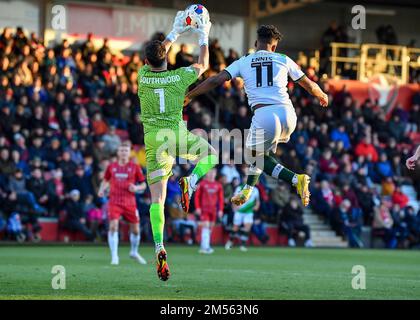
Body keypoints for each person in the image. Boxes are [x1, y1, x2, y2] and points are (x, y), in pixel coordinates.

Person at [185, 25, 328, 208]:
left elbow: (214, 80)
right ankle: (247, 189)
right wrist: (321, 95)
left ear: (255, 43)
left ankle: (296, 179)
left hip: (265, 115)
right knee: (261, 152)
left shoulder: (244, 61)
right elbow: (309, 84)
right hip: (289, 114)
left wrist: (191, 95)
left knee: (252, 155)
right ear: (274, 47)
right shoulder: (284, 59)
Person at [137, 11, 215, 281]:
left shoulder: (142, 77)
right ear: (166, 59)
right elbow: (203, 64)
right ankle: (190, 182)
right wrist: (201, 33)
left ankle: (159, 246)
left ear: (146, 61)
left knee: (156, 200)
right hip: (175, 134)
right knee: (211, 154)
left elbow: (158, 54)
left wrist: (173, 33)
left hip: (152, 140)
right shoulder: (179, 77)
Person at [97, 141, 147, 265]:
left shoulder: (135, 167)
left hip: (130, 203)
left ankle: (134, 252)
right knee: (113, 226)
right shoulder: (111, 166)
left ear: (129, 152)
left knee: (135, 230)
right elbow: (105, 180)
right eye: (122, 150)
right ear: (118, 153)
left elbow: (143, 184)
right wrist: (101, 189)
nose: (124, 153)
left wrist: (136, 188)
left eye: (126, 150)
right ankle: (114, 256)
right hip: (114, 201)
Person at [194, 169, 224, 254]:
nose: (211, 174)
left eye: (213, 173)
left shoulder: (218, 185)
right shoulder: (202, 184)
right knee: (205, 226)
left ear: (215, 174)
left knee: (210, 228)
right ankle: (205, 247)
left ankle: (204, 246)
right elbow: (197, 197)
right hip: (204, 209)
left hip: (213, 210)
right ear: (207, 174)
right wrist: (198, 207)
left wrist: (220, 210)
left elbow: (221, 199)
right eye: (210, 173)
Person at [225, 180, 260, 252]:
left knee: (247, 228)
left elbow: (257, 201)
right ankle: (230, 242)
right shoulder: (239, 188)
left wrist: (257, 206)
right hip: (239, 211)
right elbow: (234, 198)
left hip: (249, 211)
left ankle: (243, 245)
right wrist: (234, 207)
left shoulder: (255, 190)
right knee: (235, 228)